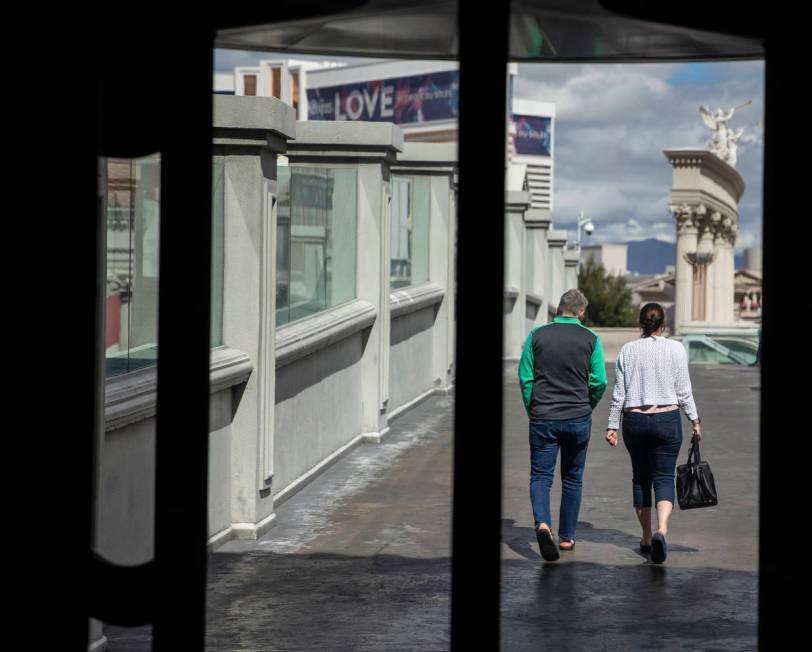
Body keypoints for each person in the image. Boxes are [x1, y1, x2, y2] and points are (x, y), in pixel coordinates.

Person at [605, 303, 701, 564]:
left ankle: (646, 537)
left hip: (634, 420)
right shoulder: (676, 349)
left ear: (641, 323)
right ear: (663, 323)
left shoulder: (628, 350)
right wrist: (694, 419)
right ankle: (662, 530)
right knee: (663, 477)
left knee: (640, 479)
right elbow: (684, 391)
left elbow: (619, 394)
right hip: (667, 419)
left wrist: (612, 425)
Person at [518, 289, 607, 561]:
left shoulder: (537, 336)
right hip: (577, 417)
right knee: (572, 478)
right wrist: (586, 406)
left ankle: (543, 525)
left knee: (541, 476)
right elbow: (599, 381)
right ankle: (567, 537)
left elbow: (526, 378)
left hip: (544, 416)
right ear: (581, 312)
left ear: (558, 309)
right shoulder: (591, 339)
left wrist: (533, 409)